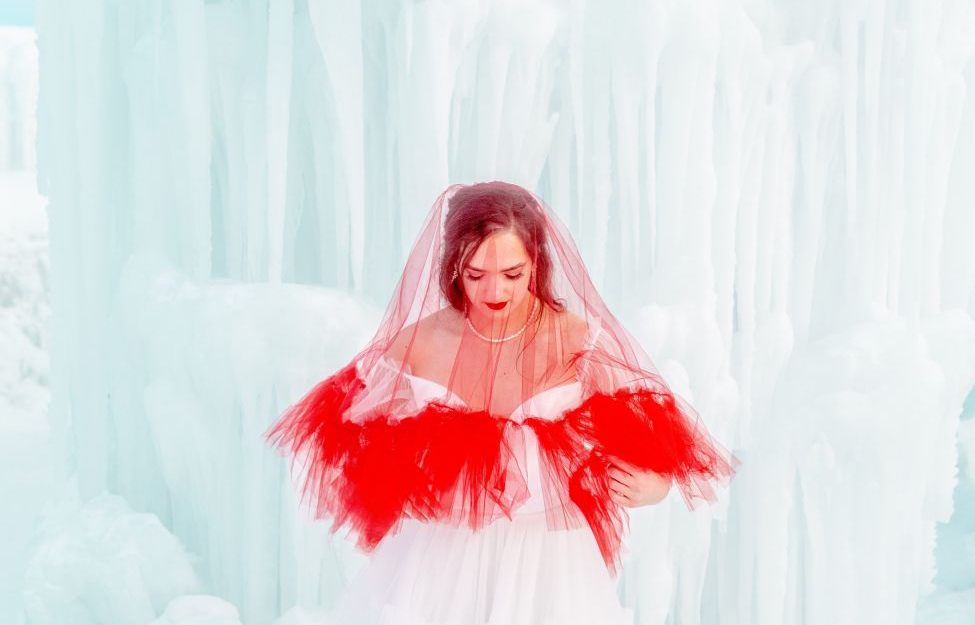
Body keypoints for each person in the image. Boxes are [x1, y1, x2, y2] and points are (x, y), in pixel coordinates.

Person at [265, 181, 740, 624]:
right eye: (476, 274)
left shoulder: (579, 342)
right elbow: (346, 434)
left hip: (552, 570)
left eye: (513, 273)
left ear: (536, 262)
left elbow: (656, 447)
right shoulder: (420, 343)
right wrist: (398, 470)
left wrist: (654, 484)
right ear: (454, 265)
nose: (494, 292)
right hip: (438, 564)